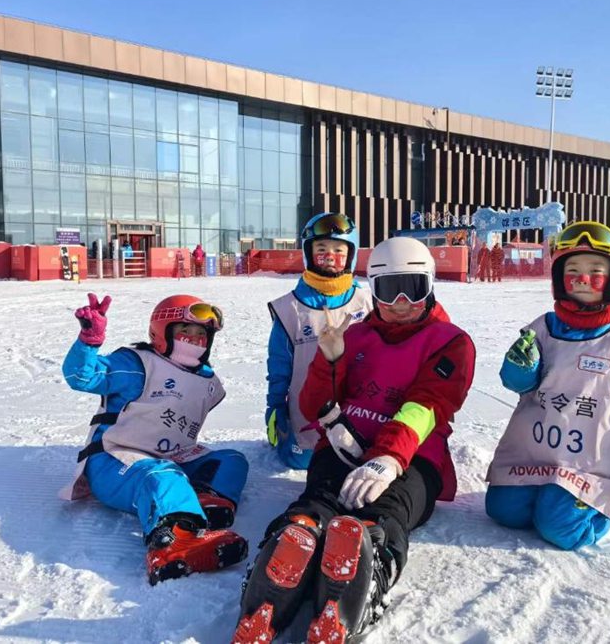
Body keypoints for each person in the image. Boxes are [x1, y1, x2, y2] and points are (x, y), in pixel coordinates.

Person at [234, 237, 476, 643]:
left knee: (387, 509)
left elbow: (429, 404)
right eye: (388, 289)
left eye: (413, 288)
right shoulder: (355, 334)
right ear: (372, 289)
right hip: (345, 445)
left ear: (430, 285)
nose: (400, 301)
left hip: (412, 456)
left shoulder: (450, 340)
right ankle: (286, 558)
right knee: (318, 501)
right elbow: (314, 405)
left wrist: (389, 458)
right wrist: (327, 361)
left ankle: (366, 567)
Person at [485, 221, 610, 550]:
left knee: (561, 528)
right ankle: (546, 494)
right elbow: (516, 383)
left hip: (589, 464)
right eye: (573, 269)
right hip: (536, 451)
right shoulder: (542, 328)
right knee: (504, 511)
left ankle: (598, 508)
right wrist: (519, 368)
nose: (583, 279)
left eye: (596, 270)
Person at [60, 293, 249, 584]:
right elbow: (81, 377)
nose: (194, 339)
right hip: (116, 459)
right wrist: (89, 340)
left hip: (170, 455)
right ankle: (174, 542)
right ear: (163, 331)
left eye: (201, 334)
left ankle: (203, 502)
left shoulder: (207, 380)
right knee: (162, 476)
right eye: (185, 331)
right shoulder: (137, 364)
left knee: (232, 462)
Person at [265, 212, 372, 470]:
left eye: (339, 249)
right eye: (321, 248)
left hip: (358, 413)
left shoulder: (368, 302)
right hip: (307, 419)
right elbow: (279, 368)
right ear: (308, 253)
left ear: (352, 253)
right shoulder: (289, 309)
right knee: (305, 463)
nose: (330, 255)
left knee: (354, 459)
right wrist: (275, 407)